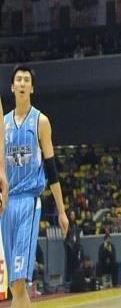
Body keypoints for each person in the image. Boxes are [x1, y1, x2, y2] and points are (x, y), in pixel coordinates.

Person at [2, 64, 69, 308]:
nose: (22, 83)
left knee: (19, 282)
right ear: (12, 87)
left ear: (32, 88)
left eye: (26, 80)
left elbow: (51, 168)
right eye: (18, 79)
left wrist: (61, 211)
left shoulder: (41, 121)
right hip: (6, 204)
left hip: (28, 202)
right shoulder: (3, 123)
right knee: (14, 286)